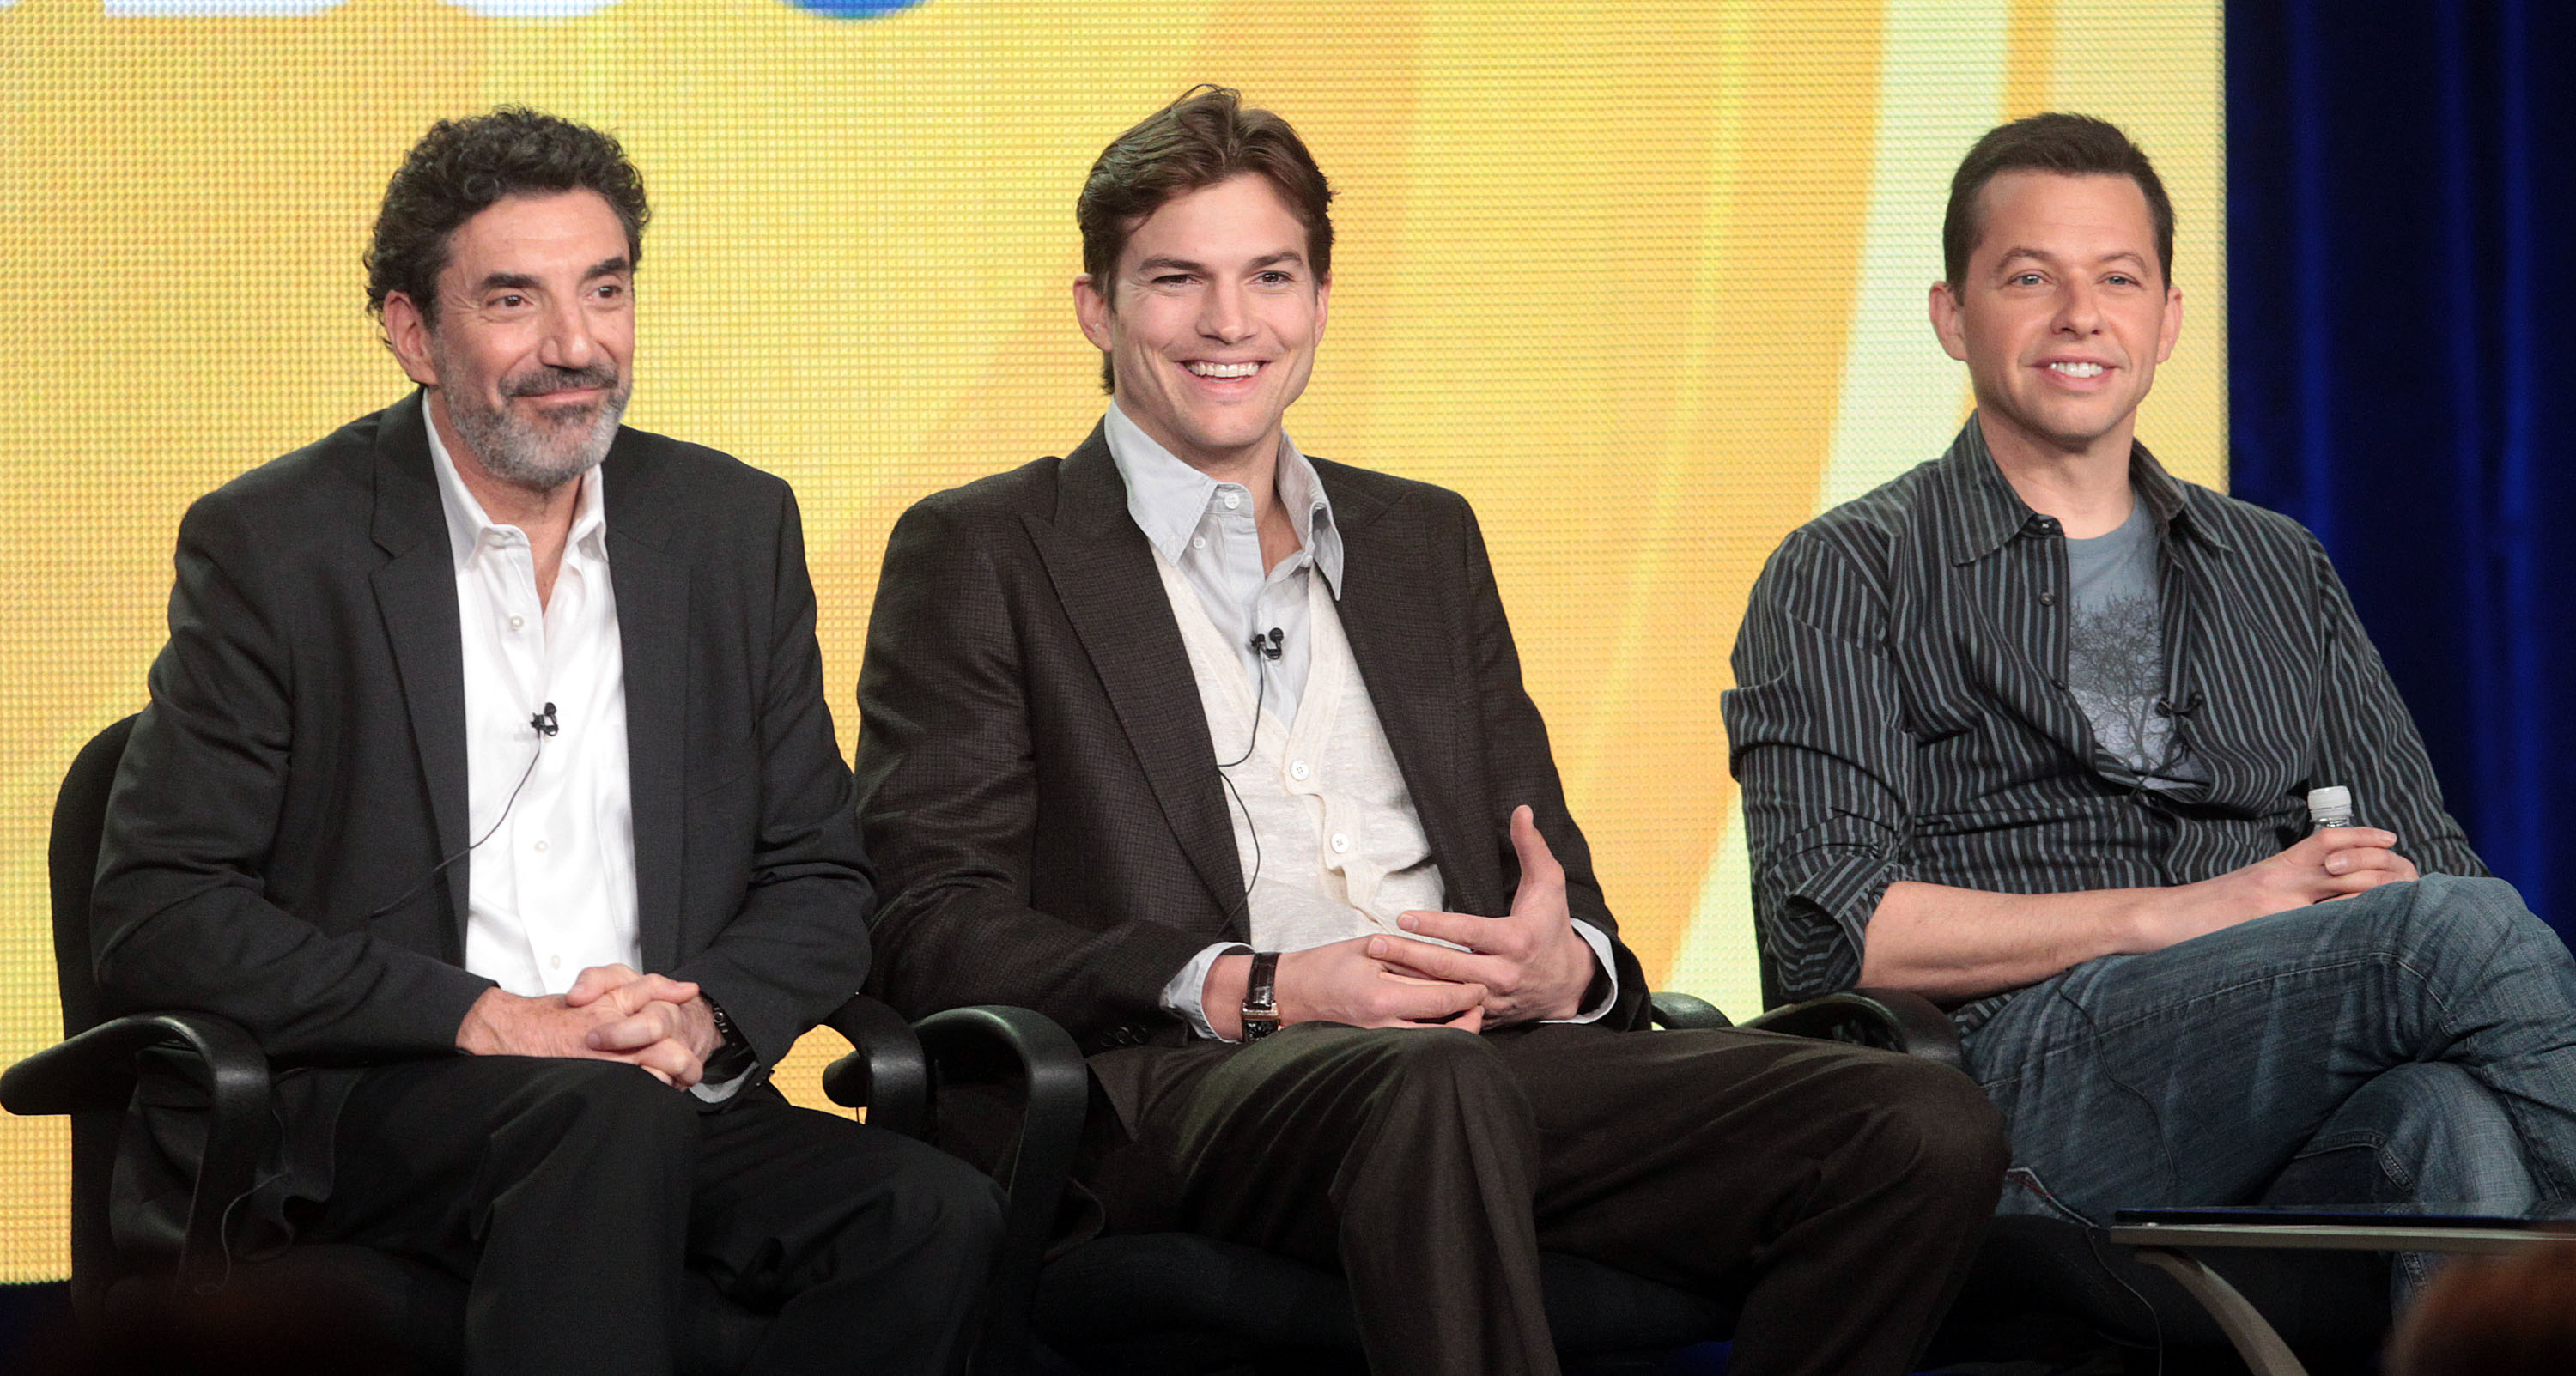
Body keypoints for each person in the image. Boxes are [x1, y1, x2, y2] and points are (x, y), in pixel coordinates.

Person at [853, 86, 2006, 1376]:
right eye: (1177, 280)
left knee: (1920, 1119)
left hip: (1488, 1064)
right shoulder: (986, 549)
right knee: (1429, 1091)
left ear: (1320, 303)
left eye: (1271, 276)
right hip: (1184, 1088)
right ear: (1097, 309)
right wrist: (1266, 986)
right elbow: (929, 923)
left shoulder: (1421, 539)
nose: (1230, 323)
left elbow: (1556, 888)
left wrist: (1564, 967)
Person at [90, 107, 1000, 1375]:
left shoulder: (731, 529)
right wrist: (489, 1019)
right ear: (414, 332)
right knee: (595, 1123)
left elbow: (821, 875)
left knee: (928, 1215)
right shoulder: (280, 546)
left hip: (656, 1088)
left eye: (606, 291)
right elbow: (159, 910)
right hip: (381, 1098)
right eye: (513, 301)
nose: (574, 347)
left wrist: (710, 1021)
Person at [1726, 112, 2576, 1280]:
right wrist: (2204, 908)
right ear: (1951, 314)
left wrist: (2364, 890)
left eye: (2117, 279)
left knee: (2451, 1122)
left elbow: (2435, 868)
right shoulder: (1849, 568)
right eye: (2032, 277)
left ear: (2167, 319)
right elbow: (1828, 936)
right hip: (2010, 1092)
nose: (2082, 315)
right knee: (2446, 943)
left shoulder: (2277, 565)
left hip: (2277, 1082)